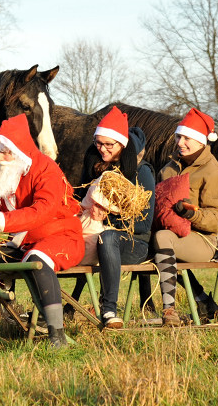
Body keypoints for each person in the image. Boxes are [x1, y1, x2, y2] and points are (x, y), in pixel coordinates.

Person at [0, 113, 84, 348]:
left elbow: (44, 210)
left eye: (6, 152)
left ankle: (57, 336)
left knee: (38, 259)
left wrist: (3, 221)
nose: (1, 157)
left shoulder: (46, 170)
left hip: (61, 236)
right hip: (23, 241)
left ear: (19, 151)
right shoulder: (1, 173)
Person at [71, 106, 156, 329]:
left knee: (107, 237)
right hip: (90, 234)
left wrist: (107, 217)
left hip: (132, 243)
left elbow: (144, 223)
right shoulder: (94, 163)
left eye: (109, 144)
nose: (102, 149)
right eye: (99, 143)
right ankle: (49, 308)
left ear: (123, 144)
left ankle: (109, 309)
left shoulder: (141, 171)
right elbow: (78, 198)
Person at [152, 108, 218, 326]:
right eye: (179, 136)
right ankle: (202, 300)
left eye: (187, 138)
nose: (180, 142)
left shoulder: (214, 173)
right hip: (172, 234)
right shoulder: (168, 168)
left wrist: (191, 213)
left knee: (162, 238)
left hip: (204, 239)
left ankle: (169, 311)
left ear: (200, 142)